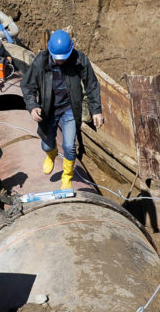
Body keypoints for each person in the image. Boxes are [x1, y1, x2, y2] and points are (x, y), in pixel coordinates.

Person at [20, 29, 105, 191]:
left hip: (70, 109)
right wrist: (32, 106)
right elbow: (27, 86)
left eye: (63, 59)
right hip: (48, 109)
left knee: (69, 146)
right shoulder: (40, 62)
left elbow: (92, 85)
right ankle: (51, 154)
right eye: (57, 59)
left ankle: (67, 177)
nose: (60, 62)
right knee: (46, 144)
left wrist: (96, 110)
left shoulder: (79, 60)